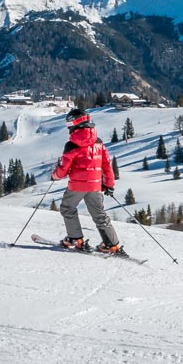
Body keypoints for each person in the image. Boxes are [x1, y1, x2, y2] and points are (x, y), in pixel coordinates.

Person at [51, 108, 124, 254]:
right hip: (95, 186)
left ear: (76, 123)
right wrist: (109, 184)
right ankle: (112, 244)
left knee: (67, 208)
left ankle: (75, 239)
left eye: (69, 124)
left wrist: (55, 176)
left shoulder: (71, 145)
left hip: (76, 186)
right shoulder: (99, 142)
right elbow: (106, 165)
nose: (69, 127)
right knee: (99, 214)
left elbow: (63, 170)